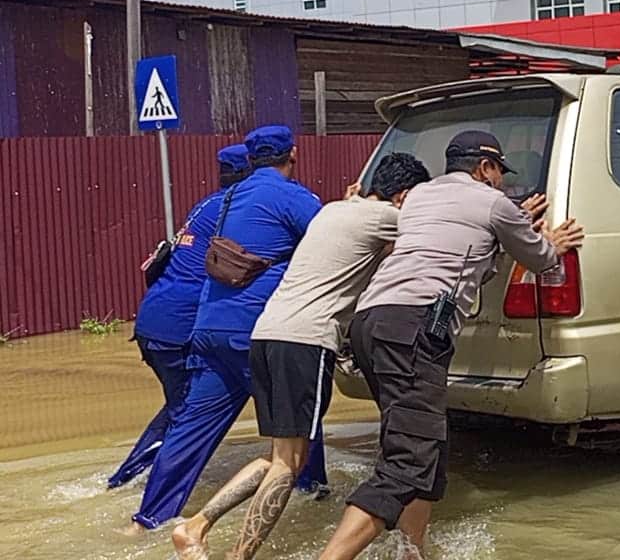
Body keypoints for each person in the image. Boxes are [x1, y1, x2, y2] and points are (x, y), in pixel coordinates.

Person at [318, 131, 585, 560]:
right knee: (405, 463)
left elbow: (459, 234)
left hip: (370, 324)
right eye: (498, 172)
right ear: (484, 167)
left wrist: (510, 218)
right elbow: (539, 258)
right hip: (414, 328)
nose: (500, 182)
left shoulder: (421, 195)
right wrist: (547, 241)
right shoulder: (494, 204)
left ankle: (412, 551)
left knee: (426, 444)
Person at [171, 153, 431, 560]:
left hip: (267, 334)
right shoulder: (388, 216)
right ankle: (238, 556)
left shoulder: (334, 211)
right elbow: (440, 225)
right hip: (306, 342)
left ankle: (195, 527)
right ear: (403, 196)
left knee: (277, 457)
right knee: (289, 466)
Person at [126, 126, 326, 534]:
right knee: (298, 416)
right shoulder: (293, 196)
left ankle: (147, 519)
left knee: (189, 428)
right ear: (294, 154)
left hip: (208, 329)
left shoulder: (223, 199)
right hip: (257, 333)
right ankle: (312, 492)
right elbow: (329, 242)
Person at [108, 145, 252, 490]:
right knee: (185, 414)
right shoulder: (238, 209)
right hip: (179, 328)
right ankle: (141, 482)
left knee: (179, 407)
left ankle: (129, 478)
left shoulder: (204, 205)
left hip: (154, 319)